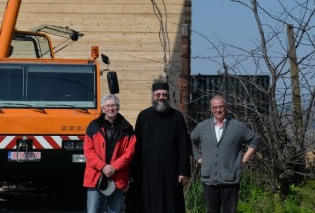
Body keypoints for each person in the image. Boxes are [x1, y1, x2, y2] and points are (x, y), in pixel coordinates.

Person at [190, 95, 260, 213]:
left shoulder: (238, 127)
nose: (218, 110)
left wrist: (244, 159)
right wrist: (198, 157)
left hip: (230, 179)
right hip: (209, 179)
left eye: (221, 107)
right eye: (215, 107)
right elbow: (190, 141)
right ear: (211, 109)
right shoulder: (202, 127)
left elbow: (255, 139)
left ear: (227, 107)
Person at [131, 81, 191, 213]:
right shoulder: (143, 116)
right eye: (158, 94)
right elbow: (136, 146)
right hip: (148, 172)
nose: (161, 97)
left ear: (168, 96)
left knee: (171, 204)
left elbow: (183, 145)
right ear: (153, 96)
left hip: (170, 171)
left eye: (164, 94)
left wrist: (183, 171)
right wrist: (134, 171)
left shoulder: (177, 117)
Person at [84, 94, 136, 213]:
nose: (110, 108)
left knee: (115, 211)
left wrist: (113, 167)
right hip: (95, 176)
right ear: (102, 108)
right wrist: (103, 167)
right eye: (107, 106)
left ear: (118, 107)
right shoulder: (93, 126)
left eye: (114, 105)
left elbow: (130, 152)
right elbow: (88, 150)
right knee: (93, 211)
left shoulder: (127, 129)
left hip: (117, 176)